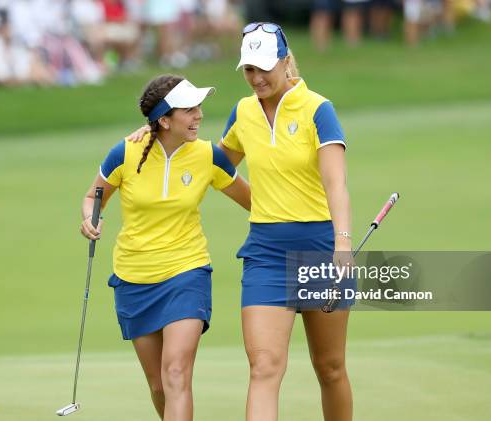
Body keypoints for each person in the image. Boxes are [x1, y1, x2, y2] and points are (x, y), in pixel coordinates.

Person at [127, 23, 356, 421]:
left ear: (286, 62)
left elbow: (336, 183)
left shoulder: (319, 109)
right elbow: (211, 164)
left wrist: (343, 243)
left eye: (265, 66)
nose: (257, 77)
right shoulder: (244, 112)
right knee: (264, 367)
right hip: (266, 253)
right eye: (249, 68)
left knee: (330, 367)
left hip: (320, 247)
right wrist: (156, 136)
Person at [80, 74, 251, 421]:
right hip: (134, 278)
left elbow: (257, 203)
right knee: (158, 385)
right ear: (164, 120)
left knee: (176, 374)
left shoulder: (208, 156)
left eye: (199, 108)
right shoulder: (125, 152)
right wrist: (90, 218)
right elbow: (92, 196)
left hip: (186, 273)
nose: (199, 115)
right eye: (189, 110)